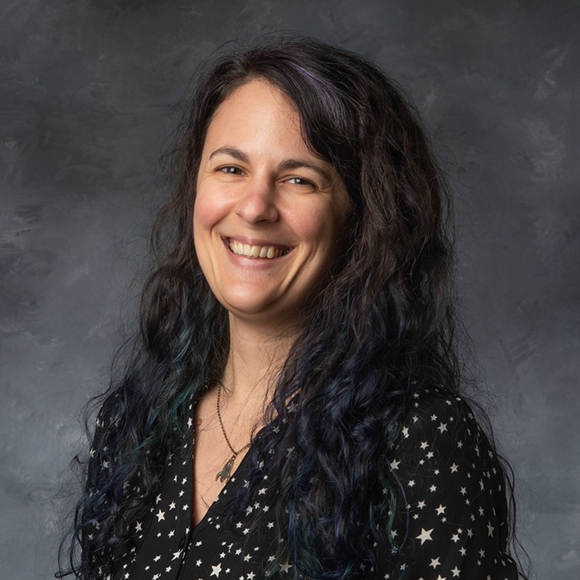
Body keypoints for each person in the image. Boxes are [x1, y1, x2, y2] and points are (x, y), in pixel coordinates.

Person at [58, 37, 524, 579]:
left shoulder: (418, 440)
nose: (255, 207)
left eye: (299, 179)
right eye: (230, 169)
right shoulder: (136, 423)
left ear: (364, 219)